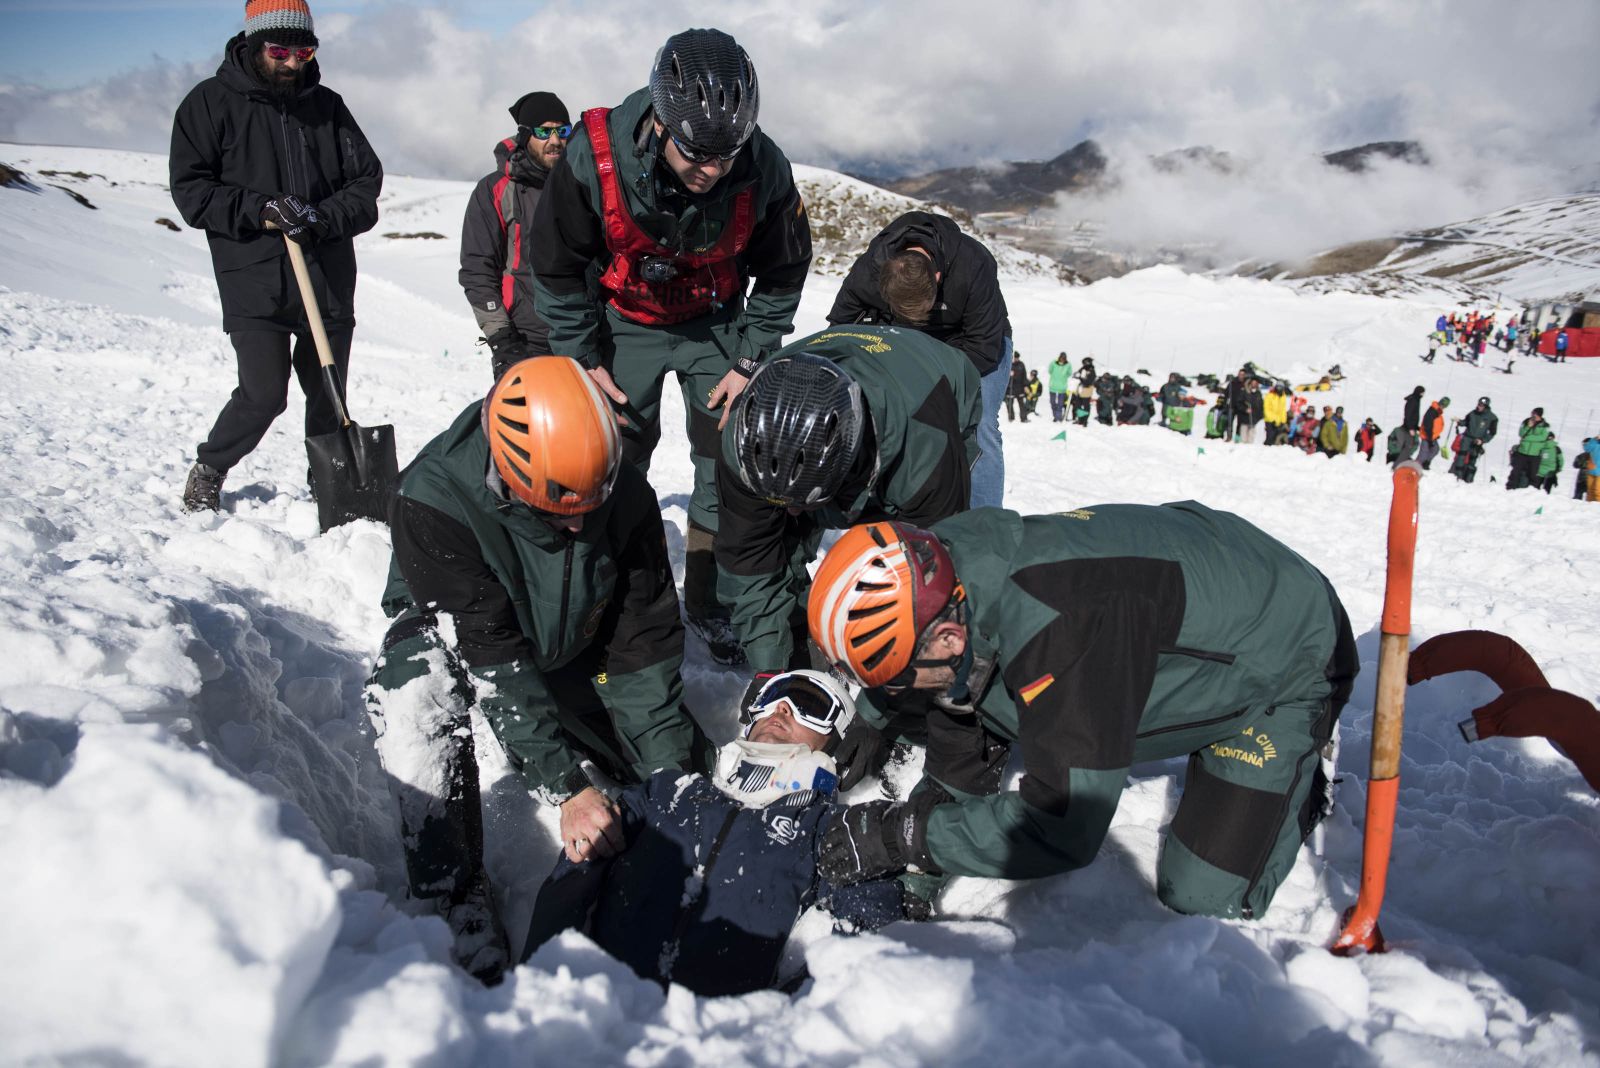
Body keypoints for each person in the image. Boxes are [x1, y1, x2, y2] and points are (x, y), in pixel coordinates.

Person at [806, 509, 1357, 921]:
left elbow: (1064, 826)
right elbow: (959, 732)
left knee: (1201, 896)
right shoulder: (941, 568)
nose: (897, 693)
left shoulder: (1065, 638)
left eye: (896, 679)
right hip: (1194, 585)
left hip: (1291, 652)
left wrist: (905, 835)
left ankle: (1300, 774)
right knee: (990, 692)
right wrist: (913, 872)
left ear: (947, 635)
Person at [365, 357, 713, 983]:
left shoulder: (623, 492)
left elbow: (642, 647)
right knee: (414, 687)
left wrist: (671, 779)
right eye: (560, 512)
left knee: (677, 769)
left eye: (592, 505)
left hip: (573, 645)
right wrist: (566, 787)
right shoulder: (433, 500)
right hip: (465, 641)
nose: (581, 524)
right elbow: (490, 657)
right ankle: (455, 896)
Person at [529, 28, 812, 664]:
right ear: (660, 122)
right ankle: (615, 595)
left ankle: (713, 603)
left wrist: (752, 356)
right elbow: (553, 265)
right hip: (623, 322)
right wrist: (582, 355)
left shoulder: (763, 167)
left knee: (734, 461)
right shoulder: (591, 158)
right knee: (609, 458)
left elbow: (785, 270)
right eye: (695, 152)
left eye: (726, 154)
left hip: (715, 324)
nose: (712, 170)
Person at [522, 670, 906, 996]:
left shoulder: (829, 832)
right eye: (771, 699)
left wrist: (773, 1027)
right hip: (596, 1018)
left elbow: (859, 947)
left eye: (811, 705)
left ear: (840, 743)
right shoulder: (668, 792)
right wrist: (543, 985)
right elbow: (577, 867)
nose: (782, 708)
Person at [171, 0, 383, 512]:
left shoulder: (327, 107)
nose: (293, 63)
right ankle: (210, 467)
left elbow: (366, 184)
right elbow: (192, 192)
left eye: (304, 51)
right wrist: (262, 208)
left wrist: (320, 217)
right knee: (264, 393)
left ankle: (331, 485)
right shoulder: (209, 103)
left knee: (329, 395)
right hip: (254, 279)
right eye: (280, 50)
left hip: (326, 276)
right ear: (253, 44)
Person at [715, 324, 978, 684]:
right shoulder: (744, 441)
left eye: (804, 502)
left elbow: (932, 585)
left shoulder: (926, 455)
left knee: (908, 563)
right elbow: (749, 560)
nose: (791, 513)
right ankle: (797, 634)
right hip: (833, 371)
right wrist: (768, 671)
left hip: (935, 377)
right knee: (777, 541)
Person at [828, 211, 1012, 508]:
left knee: (980, 425)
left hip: (970, 343)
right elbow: (840, 326)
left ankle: (984, 519)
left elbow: (984, 348)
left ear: (937, 277)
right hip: (906, 342)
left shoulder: (973, 263)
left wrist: (933, 384)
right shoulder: (871, 267)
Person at [460, 91, 570, 379]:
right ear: (524, 135)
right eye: (544, 132)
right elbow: (477, 269)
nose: (555, 140)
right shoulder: (495, 190)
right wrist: (501, 336)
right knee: (527, 423)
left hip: (582, 338)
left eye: (563, 130)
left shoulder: (583, 181)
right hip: (523, 340)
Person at [1449, 397, 1498, 483]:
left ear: (1486, 406)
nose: (1479, 406)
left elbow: (1492, 432)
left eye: (1481, 405)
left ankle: (1468, 480)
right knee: (1461, 458)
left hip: (1477, 442)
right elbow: (1466, 422)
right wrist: (1459, 421)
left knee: (1472, 461)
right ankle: (1457, 477)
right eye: (1478, 404)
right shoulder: (1472, 413)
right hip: (1467, 438)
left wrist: (1482, 440)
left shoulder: (1492, 418)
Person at [1508, 407, 1553, 490]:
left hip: (1535, 454)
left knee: (1533, 474)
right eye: (1532, 413)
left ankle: (1531, 491)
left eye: (1535, 414)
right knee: (1516, 472)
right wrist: (1528, 427)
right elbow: (1521, 433)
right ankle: (1511, 488)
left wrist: (1528, 438)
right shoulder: (1526, 422)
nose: (1533, 416)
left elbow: (1542, 438)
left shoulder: (1545, 426)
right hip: (1522, 452)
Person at [1416, 396, 1449, 470]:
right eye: (1442, 404)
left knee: (1435, 449)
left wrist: (1435, 435)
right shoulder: (1433, 411)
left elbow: (1435, 424)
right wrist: (1430, 438)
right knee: (1423, 453)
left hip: (1432, 436)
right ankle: (1415, 467)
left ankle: (1425, 463)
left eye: (1444, 405)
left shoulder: (1437, 411)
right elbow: (1427, 426)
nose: (1443, 406)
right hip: (1427, 436)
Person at [1004, 353, 1030, 423]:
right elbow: (1004, 376)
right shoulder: (1008, 364)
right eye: (1015, 358)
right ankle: (1011, 418)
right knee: (1009, 404)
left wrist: (1026, 385)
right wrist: (1009, 374)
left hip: (1020, 388)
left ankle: (1023, 418)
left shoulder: (1021, 364)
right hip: (1011, 388)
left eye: (1017, 358)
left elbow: (1024, 376)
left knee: (1022, 404)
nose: (1016, 359)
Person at [1047, 352, 1072, 422]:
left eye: (1064, 358)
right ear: (1059, 357)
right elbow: (1050, 371)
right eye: (1061, 358)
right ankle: (1055, 416)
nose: (1062, 359)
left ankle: (1059, 417)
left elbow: (1069, 373)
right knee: (1052, 402)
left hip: (1062, 388)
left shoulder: (1068, 365)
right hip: (1053, 387)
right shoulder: (1053, 363)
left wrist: (1063, 378)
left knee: (1060, 404)